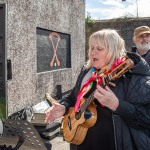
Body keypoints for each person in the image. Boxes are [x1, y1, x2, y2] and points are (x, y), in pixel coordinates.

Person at [45, 29, 150, 150]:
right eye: (92, 48)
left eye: (99, 49)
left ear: (113, 51)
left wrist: (118, 105)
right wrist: (63, 107)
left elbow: (146, 119)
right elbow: (73, 98)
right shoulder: (87, 72)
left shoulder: (134, 79)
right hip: (81, 142)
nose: (93, 52)